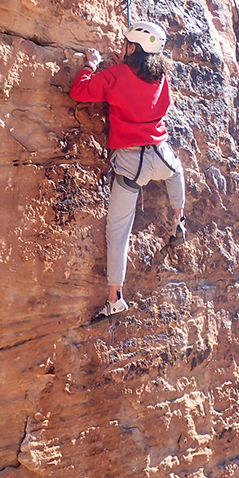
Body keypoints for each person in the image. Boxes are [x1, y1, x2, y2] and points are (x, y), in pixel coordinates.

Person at [70, 21, 186, 322]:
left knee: (118, 230)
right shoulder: (161, 76)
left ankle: (115, 297)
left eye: (126, 44)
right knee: (176, 172)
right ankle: (178, 219)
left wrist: (92, 66)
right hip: (161, 154)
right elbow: (152, 95)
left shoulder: (117, 74)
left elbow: (80, 92)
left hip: (132, 163)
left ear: (132, 48)